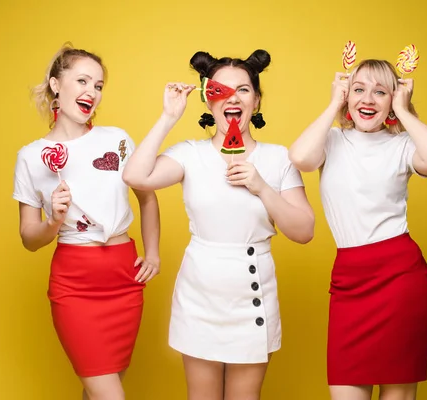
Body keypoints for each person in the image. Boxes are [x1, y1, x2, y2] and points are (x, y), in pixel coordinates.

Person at [122, 49, 315, 400]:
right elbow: (135, 176)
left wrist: (260, 187)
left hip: (253, 294)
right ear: (208, 102)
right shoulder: (189, 154)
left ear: (256, 101)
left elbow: (304, 231)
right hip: (201, 295)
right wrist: (168, 118)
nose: (232, 97)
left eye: (243, 90)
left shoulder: (278, 159)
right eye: (220, 90)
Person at [289, 59, 427, 400]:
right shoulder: (332, 140)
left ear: (392, 101)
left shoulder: (404, 146)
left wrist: (404, 111)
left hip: (401, 282)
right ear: (347, 96)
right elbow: (301, 158)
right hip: (349, 281)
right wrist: (333, 103)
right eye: (359, 89)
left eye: (380, 92)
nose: (368, 99)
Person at [12, 43, 161, 400]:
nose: (91, 92)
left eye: (98, 85)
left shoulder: (118, 139)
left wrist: (152, 252)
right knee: (110, 395)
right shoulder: (32, 157)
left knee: (99, 390)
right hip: (75, 282)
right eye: (82, 80)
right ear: (55, 85)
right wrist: (54, 220)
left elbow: (147, 196)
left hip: (125, 276)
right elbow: (29, 238)